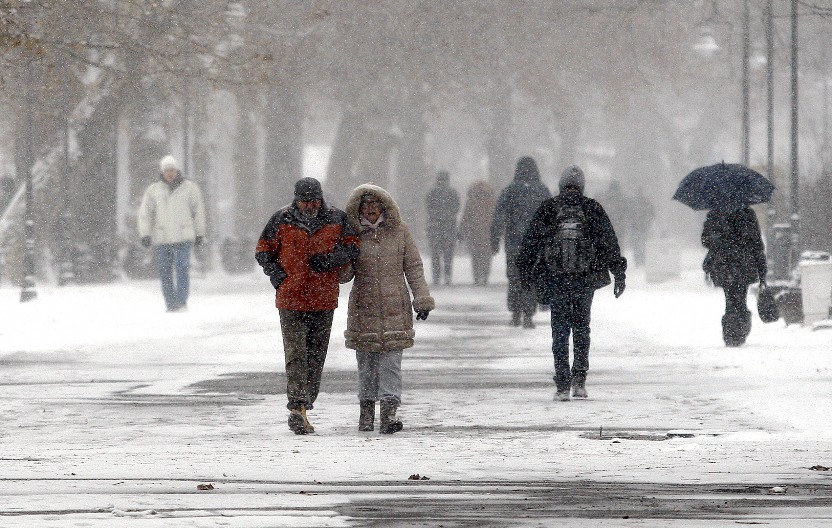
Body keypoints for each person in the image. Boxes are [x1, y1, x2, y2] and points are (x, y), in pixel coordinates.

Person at [255, 177, 360, 435]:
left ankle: (306, 400)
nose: (310, 205)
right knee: (295, 354)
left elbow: (353, 247)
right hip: (291, 298)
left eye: (314, 200)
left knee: (316, 355)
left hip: (323, 299)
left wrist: (330, 260)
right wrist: (276, 274)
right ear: (296, 199)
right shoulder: (280, 219)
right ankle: (297, 406)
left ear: (321, 198)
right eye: (305, 201)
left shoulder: (337, 219)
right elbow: (262, 249)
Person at [517, 165, 627, 401]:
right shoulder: (592, 208)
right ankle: (580, 380)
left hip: (556, 278)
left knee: (559, 330)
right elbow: (608, 241)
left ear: (561, 184)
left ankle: (562, 384)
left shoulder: (549, 208)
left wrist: (524, 272)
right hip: (584, 279)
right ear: (582, 185)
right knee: (581, 328)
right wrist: (618, 272)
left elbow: (531, 242)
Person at [343, 184, 434, 434]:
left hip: (396, 307)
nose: (371, 209)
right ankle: (366, 413)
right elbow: (343, 276)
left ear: (384, 206)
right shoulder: (352, 234)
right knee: (367, 364)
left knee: (391, 364)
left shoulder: (400, 232)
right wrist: (344, 255)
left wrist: (422, 298)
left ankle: (389, 414)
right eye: (366, 205)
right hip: (364, 308)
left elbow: (413, 266)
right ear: (358, 209)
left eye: (375, 204)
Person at [138, 155, 206, 312]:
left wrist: (200, 232)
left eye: (172, 170)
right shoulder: (153, 190)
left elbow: (198, 211)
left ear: (177, 170)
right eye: (167, 170)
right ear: (162, 172)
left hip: (184, 236)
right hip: (162, 237)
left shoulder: (190, 188)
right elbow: (145, 213)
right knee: (164, 270)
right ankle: (170, 304)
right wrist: (145, 234)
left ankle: (181, 302)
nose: (170, 173)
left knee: (182, 268)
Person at [490, 156, 551, 328]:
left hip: (514, 242)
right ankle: (528, 315)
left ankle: (516, 312)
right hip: (536, 243)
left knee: (515, 277)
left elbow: (499, 216)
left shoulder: (510, 190)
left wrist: (494, 239)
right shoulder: (542, 191)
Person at [701, 207, 766, 347]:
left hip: (724, 265)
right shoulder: (747, 214)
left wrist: (719, 239)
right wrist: (762, 271)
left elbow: (705, 240)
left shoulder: (715, 213)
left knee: (730, 299)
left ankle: (731, 331)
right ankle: (738, 329)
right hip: (743, 264)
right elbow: (756, 243)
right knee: (740, 298)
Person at [459, 180, 497, 286]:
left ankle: (476, 277)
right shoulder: (491, 200)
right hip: (488, 232)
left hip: (474, 232)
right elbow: (496, 217)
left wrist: (462, 231)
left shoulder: (471, 200)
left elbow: (466, 217)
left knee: (475, 255)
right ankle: (485, 277)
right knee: (486, 256)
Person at [425, 171, 460, 285]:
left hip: (435, 227)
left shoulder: (431, 193)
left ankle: (436, 277)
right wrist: (448, 216)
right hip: (449, 227)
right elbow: (456, 208)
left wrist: (436, 217)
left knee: (435, 254)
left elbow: (428, 208)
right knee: (448, 254)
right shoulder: (453, 193)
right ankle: (448, 276)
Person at [628, 187, 655, 267]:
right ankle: (642, 259)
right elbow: (652, 213)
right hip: (644, 226)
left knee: (636, 244)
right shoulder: (646, 202)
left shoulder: (632, 203)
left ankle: (637, 261)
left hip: (635, 227)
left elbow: (629, 214)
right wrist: (648, 222)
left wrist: (631, 222)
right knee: (643, 244)